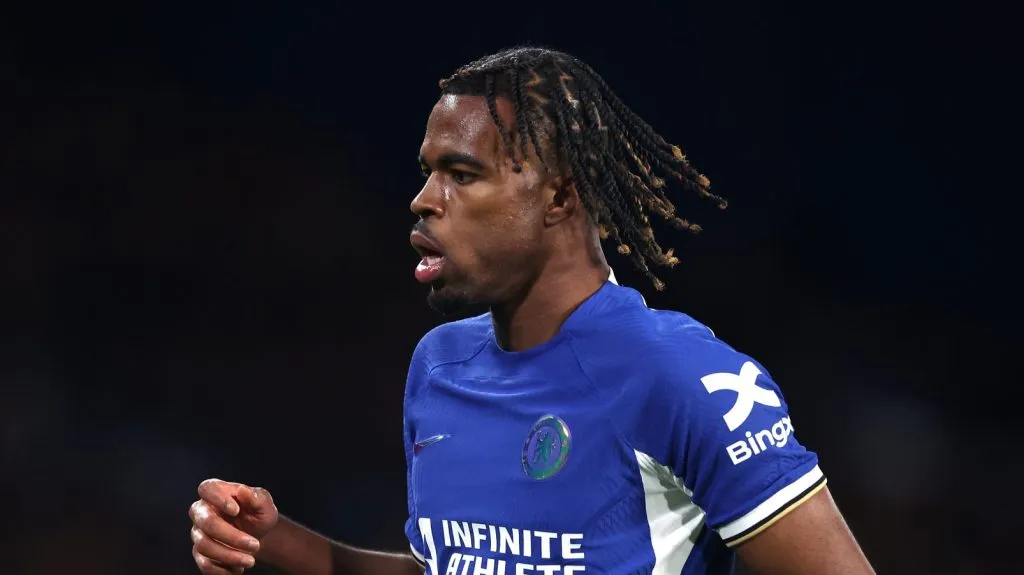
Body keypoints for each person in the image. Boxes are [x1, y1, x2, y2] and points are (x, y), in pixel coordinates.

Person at [188, 46, 875, 575]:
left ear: (558, 196)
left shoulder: (680, 375)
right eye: (427, 171)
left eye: (461, 174)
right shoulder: (439, 365)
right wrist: (277, 542)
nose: (424, 199)